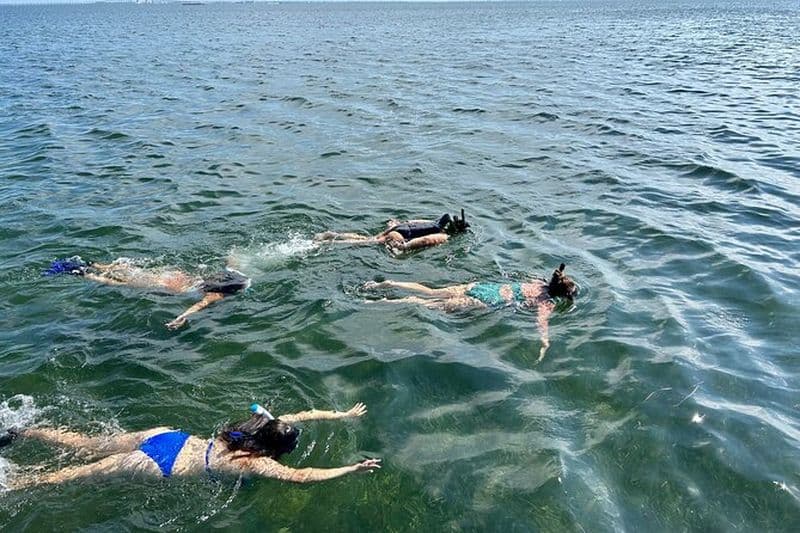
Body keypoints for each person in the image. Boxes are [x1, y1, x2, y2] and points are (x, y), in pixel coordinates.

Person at [1, 402, 380, 488]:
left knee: (83, 443)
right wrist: (352, 467)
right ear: (274, 450)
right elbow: (302, 476)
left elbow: (298, 416)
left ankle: (19, 431)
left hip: (165, 436)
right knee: (69, 475)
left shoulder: (251, 427)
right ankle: (12, 483)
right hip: (160, 464)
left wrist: (340, 414)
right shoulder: (253, 461)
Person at [364, 263, 577, 361]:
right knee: (424, 304)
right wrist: (545, 343)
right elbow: (542, 324)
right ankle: (382, 302)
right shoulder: (546, 302)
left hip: (480, 287)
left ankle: (390, 284)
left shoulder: (537, 283)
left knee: (431, 292)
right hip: (485, 301)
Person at [43, 256, 250, 330]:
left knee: (127, 271)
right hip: (169, 286)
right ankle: (75, 271)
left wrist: (232, 253)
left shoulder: (223, 276)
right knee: (116, 283)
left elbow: (231, 264)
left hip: (174, 275)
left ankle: (90, 263)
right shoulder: (218, 294)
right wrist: (181, 317)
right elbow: (199, 305)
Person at [314, 209, 470, 253]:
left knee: (365, 238)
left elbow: (412, 222)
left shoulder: (433, 222)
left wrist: (393, 225)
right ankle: (328, 243)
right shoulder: (443, 235)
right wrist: (405, 247)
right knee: (368, 242)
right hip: (401, 235)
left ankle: (332, 235)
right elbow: (425, 240)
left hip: (398, 229)